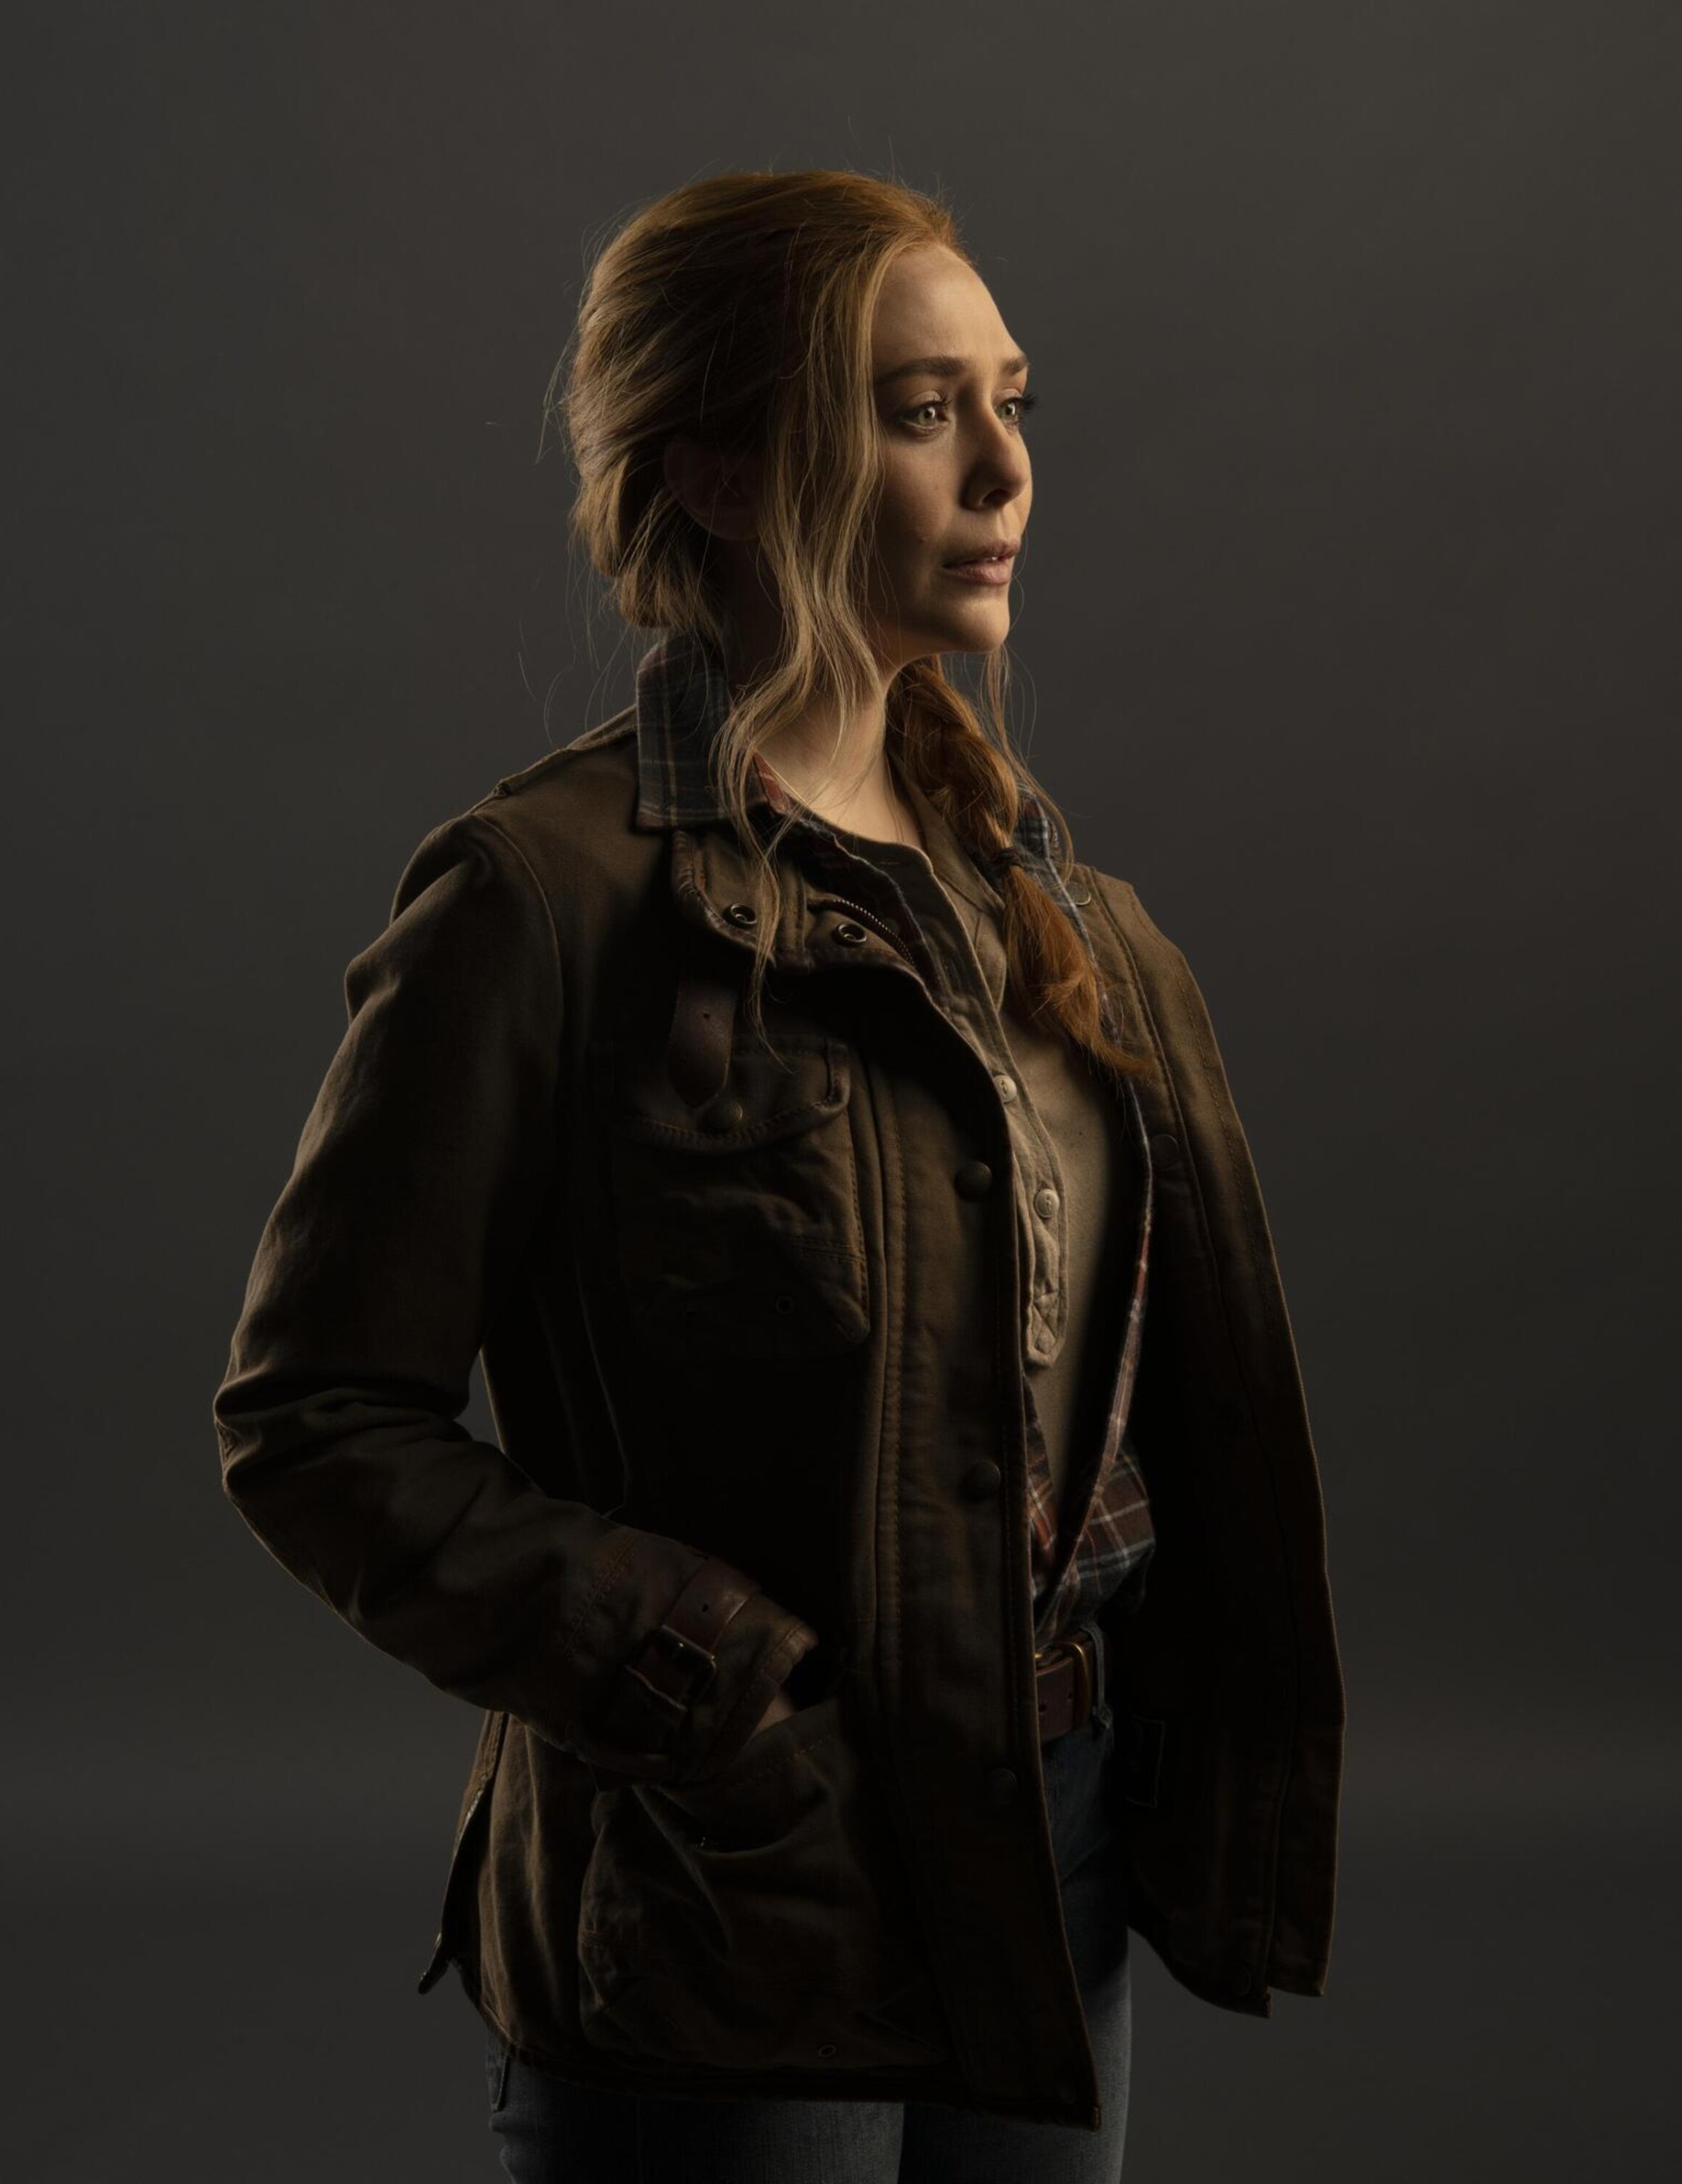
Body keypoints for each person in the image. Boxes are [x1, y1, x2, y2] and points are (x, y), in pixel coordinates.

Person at [214, 167, 1345, 2183]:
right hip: (735, 1881)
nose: (1004, 468)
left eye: (1012, 402)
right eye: (920, 413)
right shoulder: (546, 902)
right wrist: (701, 1689)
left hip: (1057, 1844)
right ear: (721, 475)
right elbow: (315, 1418)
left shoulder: (1065, 920)